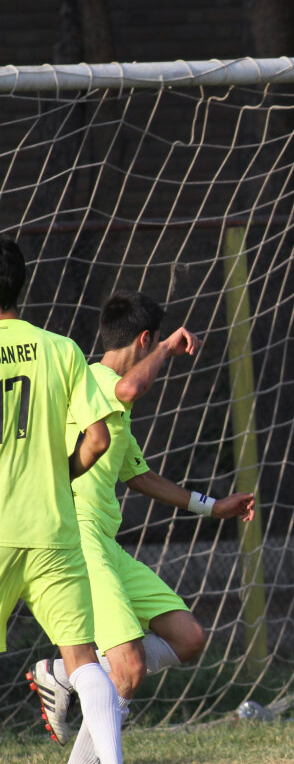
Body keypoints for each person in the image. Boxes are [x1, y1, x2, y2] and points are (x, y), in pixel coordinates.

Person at [25, 291, 256, 758]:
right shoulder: (94, 379)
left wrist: (213, 507)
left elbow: (141, 477)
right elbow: (131, 388)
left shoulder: (116, 409)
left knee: (188, 637)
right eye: (156, 344)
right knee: (127, 669)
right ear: (145, 339)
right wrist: (169, 348)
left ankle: (65, 674)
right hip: (78, 536)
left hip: (105, 542)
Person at [0, 238, 125, 764]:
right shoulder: (62, 349)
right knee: (83, 661)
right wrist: (58, 474)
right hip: (53, 527)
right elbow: (98, 438)